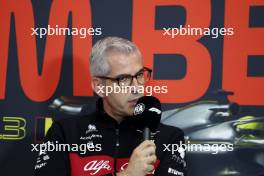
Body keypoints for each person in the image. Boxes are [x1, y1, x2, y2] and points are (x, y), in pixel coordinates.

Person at [34, 37, 187, 176]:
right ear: (99, 86)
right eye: (124, 78)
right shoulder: (64, 134)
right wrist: (128, 175)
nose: (137, 88)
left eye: (140, 75)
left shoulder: (169, 138)